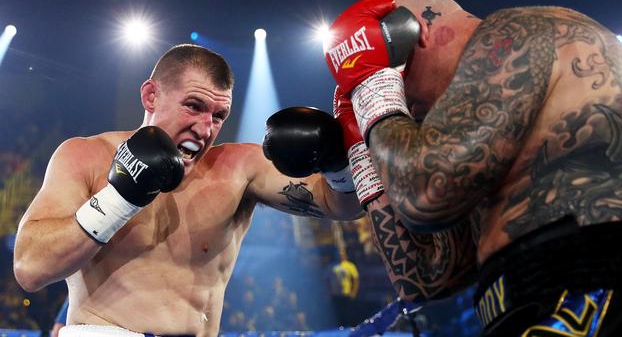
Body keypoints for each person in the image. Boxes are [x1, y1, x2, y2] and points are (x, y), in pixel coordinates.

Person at [323, 0, 622, 336]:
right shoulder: (463, 137)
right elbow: (427, 278)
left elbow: (423, 197)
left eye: (394, 73)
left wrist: (373, 86)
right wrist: (360, 148)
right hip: (520, 299)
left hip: (604, 276)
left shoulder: (513, 34)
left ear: (414, 34)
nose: (400, 99)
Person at [13, 44, 363, 337]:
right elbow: (30, 269)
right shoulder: (86, 157)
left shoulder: (240, 168)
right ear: (151, 95)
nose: (205, 127)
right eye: (194, 106)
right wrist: (118, 197)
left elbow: (342, 206)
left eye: (219, 115)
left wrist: (338, 160)